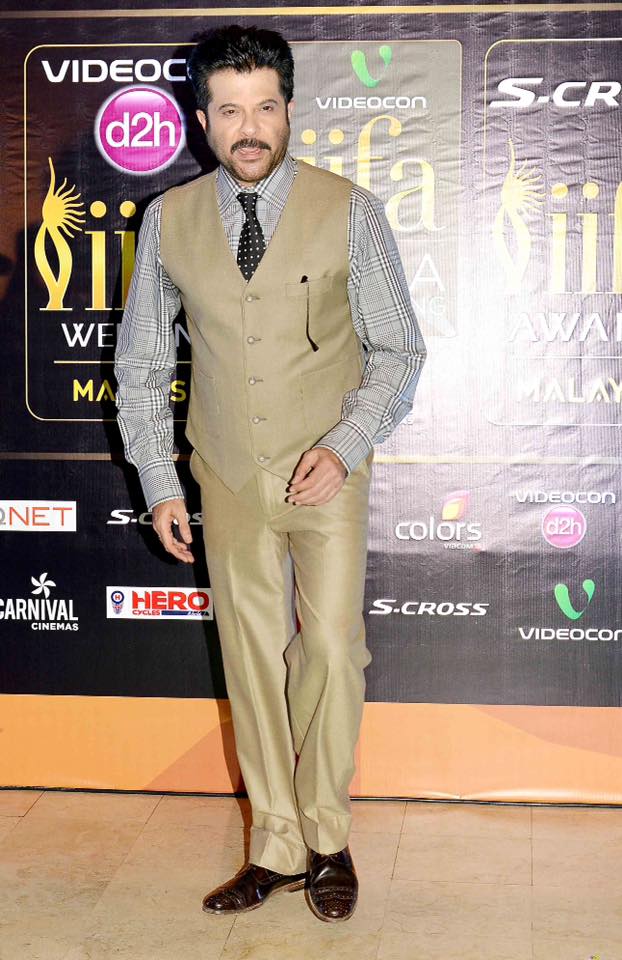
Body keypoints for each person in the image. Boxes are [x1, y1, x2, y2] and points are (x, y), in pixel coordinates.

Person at [114, 24, 426, 923]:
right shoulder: (169, 219)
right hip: (227, 475)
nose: (248, 128)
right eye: (229, 111)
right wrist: (160, 482)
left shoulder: (350, 210)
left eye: (264, 108)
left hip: (327, 470)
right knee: (250, 659)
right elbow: (142, 366)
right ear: (202, 120)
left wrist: (347, 442)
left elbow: (399, 350)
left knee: (330, 648)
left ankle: (328, 835)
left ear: (289, 110)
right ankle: (278, 846)